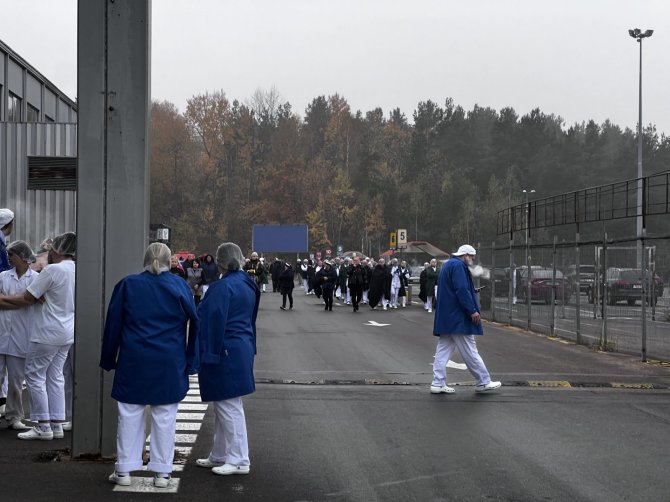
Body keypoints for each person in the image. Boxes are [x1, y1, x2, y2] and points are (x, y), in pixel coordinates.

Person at [100, 243, 198, 488]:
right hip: (169, 361)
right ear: (169, 262)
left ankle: (123, 469)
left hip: (134, 359)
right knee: (165, 417)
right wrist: (191, 359)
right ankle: (162, 473)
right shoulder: (179, 286)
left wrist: (109, 357)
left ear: (144, 259)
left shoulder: (128, 284)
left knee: (130, 414)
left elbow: (113, 324)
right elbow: (196, 322)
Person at [0, 232, 76, 441]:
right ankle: (56, 423)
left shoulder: (52, 270)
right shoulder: (76, 269)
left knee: (34, 376)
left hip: (46, 332)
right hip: (66, 331)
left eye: (52, 249)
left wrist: (4, 299)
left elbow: (28, 297)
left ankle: (43, 425)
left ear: (59, 250)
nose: (48, 252)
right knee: (55, 376)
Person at [195, 242, 260, 476]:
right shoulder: (248, 284)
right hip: (241, 346)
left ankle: (239, 459)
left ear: (222, 262)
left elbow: (210, 321)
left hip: (224, 349)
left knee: (228, 407)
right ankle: (221, 454)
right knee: (226, 404)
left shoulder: (221, 288)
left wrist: (204, 353)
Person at [430, 245, 501, 395]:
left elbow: (454, 288)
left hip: (447, 315)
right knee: (470, 349)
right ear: (465, 255)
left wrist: (471, 290)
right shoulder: (458, 266)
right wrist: (472, 310)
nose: (473, 260)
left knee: (443, 351)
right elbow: (461, 289)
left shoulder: (449, 264)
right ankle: (483, 381)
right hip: (458, 317)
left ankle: (438, 382)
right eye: (472, 256)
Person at [0, 241, 37, 430]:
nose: (8, 257)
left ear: (22, 257)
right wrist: (21, 301)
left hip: (21, 335)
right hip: (2, 333)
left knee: (15, 380)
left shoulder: (35, 278)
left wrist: (6, 300)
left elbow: (32, 301)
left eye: (11, 254)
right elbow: (25, 301)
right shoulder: (3, 276)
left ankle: (14, 416)